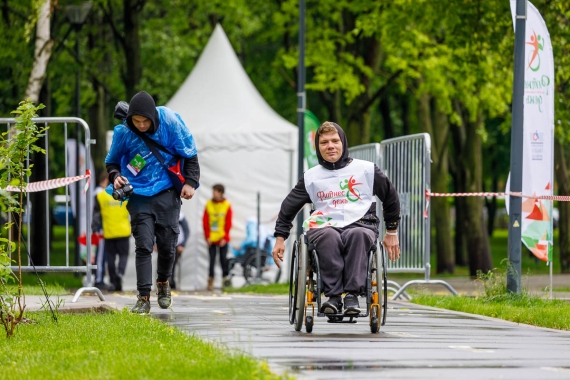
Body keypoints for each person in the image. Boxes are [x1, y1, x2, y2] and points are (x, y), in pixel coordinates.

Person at [272, 121, 400, 315]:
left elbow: (390, 197)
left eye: (334, 141)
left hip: (361, 222)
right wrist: (280, 237)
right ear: (318, 147)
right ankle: (333, 297)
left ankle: (351, 296)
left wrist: (392, 231)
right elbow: (288, 207)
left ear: (343, 143)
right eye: (324, 142)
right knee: (328, 236)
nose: (330, 146)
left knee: (358, 235)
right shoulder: (311, 177)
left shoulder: (366, 170)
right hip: (324, 226)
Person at [106, 91, 200, 314]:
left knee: (168, 246)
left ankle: (163, 282)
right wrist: (115, 176)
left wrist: (190, 182)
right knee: (144, 245)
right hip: (137, 193)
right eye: (136, 121)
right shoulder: (124, 132)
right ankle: (143, 297)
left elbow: (190, 152)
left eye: (144, 121)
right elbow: (112, 163)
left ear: (153, 118)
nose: (140, 125)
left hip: (167, 191)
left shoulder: (170, 121)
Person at [91, 172, 131, 292]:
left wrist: (94, 228)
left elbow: (96, 215)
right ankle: (120, 274)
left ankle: (113, 281)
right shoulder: (125, 195)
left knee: (111, 258)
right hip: (124, 231)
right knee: (123, 255)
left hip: (109, 232)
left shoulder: (101, 196)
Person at [203, 184, 232, 291]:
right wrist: (207, 237)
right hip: (211, 238)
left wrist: (225, 237)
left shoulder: (227, 205)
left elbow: (228, 223)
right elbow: (205, 222)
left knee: (223, 259)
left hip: (222, 238)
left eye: (215, 191)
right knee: (212, 260)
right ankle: (210, 281)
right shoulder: (208, 204)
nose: (213, 193)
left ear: (220, 192)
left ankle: (226, 280)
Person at [91, 172, 113, 291]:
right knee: (100, 255)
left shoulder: (97, 193)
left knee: (102, 254)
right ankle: (99, 279)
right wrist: (95, 228)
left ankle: (100, 278)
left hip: (101, 227)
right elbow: (97, 213)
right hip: (101, 228)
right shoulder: (100, 193)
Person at [169, 211, 190, 289]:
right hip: (164, 242)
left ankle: (171, 280)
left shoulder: (181, 216)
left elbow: (186, 231)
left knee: (173, 262)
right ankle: (165, 280)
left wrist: (182, 244)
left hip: (177, 244)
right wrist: (155, 243)